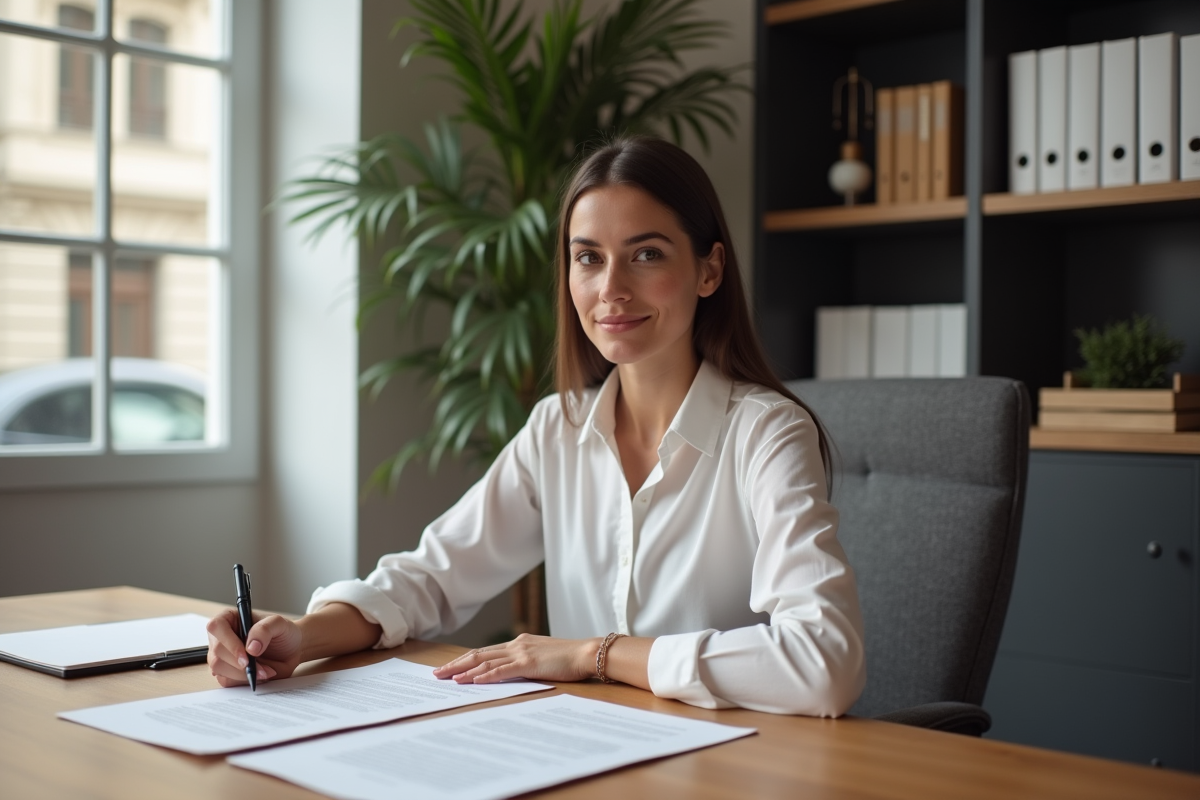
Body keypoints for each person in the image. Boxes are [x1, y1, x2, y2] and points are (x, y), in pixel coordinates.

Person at [207, 136, 866, 716]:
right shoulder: (559, 428)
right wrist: (302, 634)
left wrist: (594, 655)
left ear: (709, 270)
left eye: (645, 255)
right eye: (588, 258)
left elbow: (825, 662)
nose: (610, 289)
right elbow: (432, 579)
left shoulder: (767, 434)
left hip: (732, 766)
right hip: (584, 752)